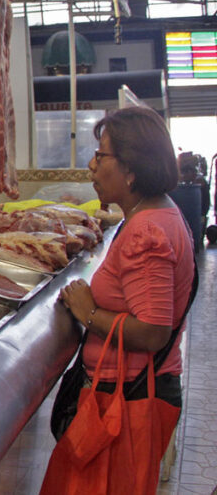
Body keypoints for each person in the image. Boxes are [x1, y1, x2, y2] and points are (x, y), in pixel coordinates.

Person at [53, 107, 194, 491]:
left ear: (131, 169)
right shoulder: (158, 213)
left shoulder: (146, 231)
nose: (92, 165)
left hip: (126, 399)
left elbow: (152, 332)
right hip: (129, 391)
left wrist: (88, 312)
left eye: (101, 156)